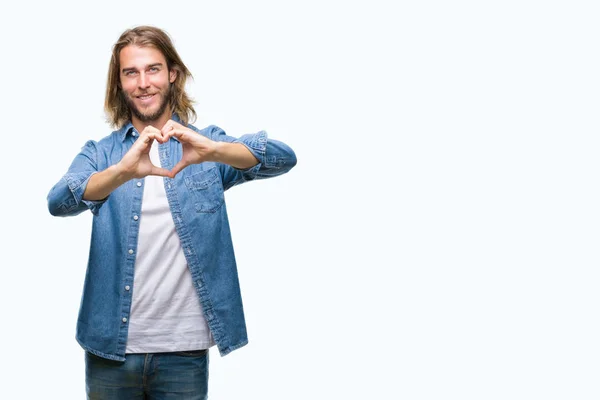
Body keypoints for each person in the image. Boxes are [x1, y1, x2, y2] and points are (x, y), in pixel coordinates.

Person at [47, 25, 296, 399]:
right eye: (131, 72)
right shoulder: (101, 153)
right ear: (120, 84)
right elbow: (58, 202)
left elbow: (282, 157)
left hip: (184, 351)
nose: (143, 82)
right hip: (110, 349)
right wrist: (122, 172)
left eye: (153, 69)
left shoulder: (205, 145)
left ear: (171, 75)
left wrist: (214, 151)